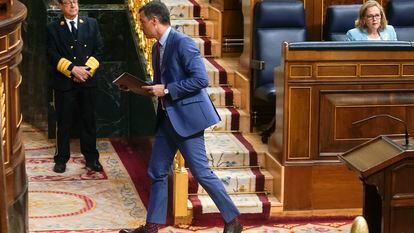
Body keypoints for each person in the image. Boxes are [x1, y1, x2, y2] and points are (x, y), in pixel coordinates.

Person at [119, 2, 242, 233]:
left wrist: (166, 90)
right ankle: (152, 226)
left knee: (202, 172)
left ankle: (233, 220)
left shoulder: (183, 43)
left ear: (154, 20)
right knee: (157, 171)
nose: (141, 26)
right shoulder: (156, 48)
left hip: (187, 119)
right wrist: (137, 88)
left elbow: (200, 80)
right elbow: (160, 85)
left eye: (143, 21)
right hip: (167, 119)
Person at [46, 0, 104, 173]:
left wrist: (86, 71)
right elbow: (51, 54)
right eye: (68, 2)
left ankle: (92, 158)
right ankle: (61, 158)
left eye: (75, 1)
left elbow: (99, 50)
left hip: (88, 81)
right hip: (65, 83)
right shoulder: (53, 28)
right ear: (60, 6)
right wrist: (72, 70)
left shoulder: (91, 24)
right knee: (64, 122)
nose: (73, 5)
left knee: (89, 121)